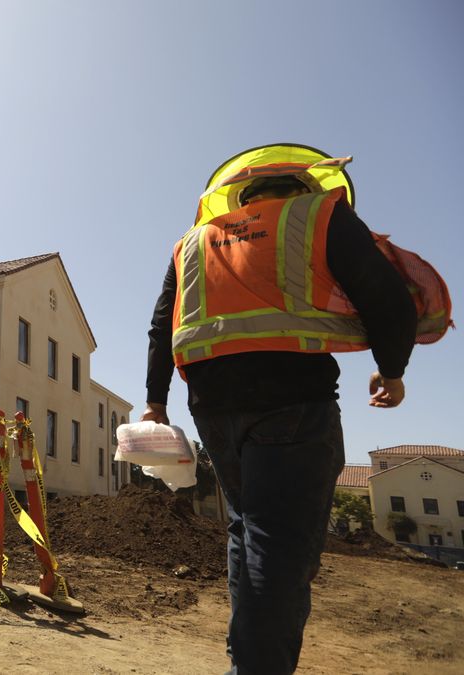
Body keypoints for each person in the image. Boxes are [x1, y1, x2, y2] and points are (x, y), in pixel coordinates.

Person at [143, 144, 447, 674]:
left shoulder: (192, 243)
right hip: (292, 398)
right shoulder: (320, 214)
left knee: (248, 531)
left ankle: (248, 654)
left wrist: (153, 405)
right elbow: (387, 296)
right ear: (305, 187)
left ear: (241, 194)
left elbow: (161, 326)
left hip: (211, 407)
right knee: (279, 552)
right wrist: (392, 370)